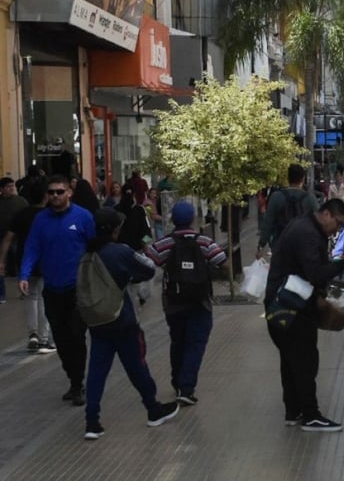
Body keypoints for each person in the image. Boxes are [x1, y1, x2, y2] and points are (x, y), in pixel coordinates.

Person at [80, 208, 180, 440]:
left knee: (96, 370)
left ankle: (92, 421)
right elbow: (147, 270)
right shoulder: (120, 252)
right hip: (121, 318)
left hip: (97, 320)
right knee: (137, 365)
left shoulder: (87, 254)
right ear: (115, 229)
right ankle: (153, 409)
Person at [264, 199, 344, 431]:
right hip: (292, 310)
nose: (338, 229)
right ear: (326, 214)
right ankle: (311, 415)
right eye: (338, 222)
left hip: (280, 308)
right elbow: (316, 274)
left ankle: (293, 411)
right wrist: (341, 264)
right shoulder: (308, 234)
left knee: (291, 361)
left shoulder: (303, 226)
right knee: (304, 362)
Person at [18, 175, 94, 404]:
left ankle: (78, 383)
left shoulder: (83, 217)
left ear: (69, 192)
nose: (55, 196)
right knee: (61, 339)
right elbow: (32, 247)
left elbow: (94, 249)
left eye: (60, 192)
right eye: (51, 192)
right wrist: (24, 274)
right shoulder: (41, 220)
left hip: (77, 289)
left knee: (76, 336)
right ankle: (73, 379)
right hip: (52, 289)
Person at [146, 201, 228, 406]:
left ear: (173, 219)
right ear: (192, 219)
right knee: (196, 343)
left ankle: (177, 382)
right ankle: (187, 387)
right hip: (200, 301)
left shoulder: (166, 243)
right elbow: (222, 261)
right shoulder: (204, 242)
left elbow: (152, 258)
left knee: (178, 341)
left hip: (174, 302)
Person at [0, 180, 54, 351]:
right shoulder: (50, 214)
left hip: (25, 259)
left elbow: (8, 239)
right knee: (45, 297)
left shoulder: (22, 214)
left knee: (31, 296)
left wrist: (1, 260)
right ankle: (44, 339)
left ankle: (33, 334)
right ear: (45, 196)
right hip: (47, 260)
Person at [257, 164, 319, 258]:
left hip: (280, 247)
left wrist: (261, 246)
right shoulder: (310, 198)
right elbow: (319, 223)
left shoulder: (276, 197)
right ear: (303, 179)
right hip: (303, 248)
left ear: (288, 178)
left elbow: (268, 224)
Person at [0, 176, 28, 305]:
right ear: (2, 189)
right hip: (2, 237)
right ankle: (2, 294)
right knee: (2, 265)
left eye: (13, 186)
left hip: (18, 237)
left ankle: (23, 290)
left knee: (19, 264)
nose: (12, 189)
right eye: (8, 187)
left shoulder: (20, 201)